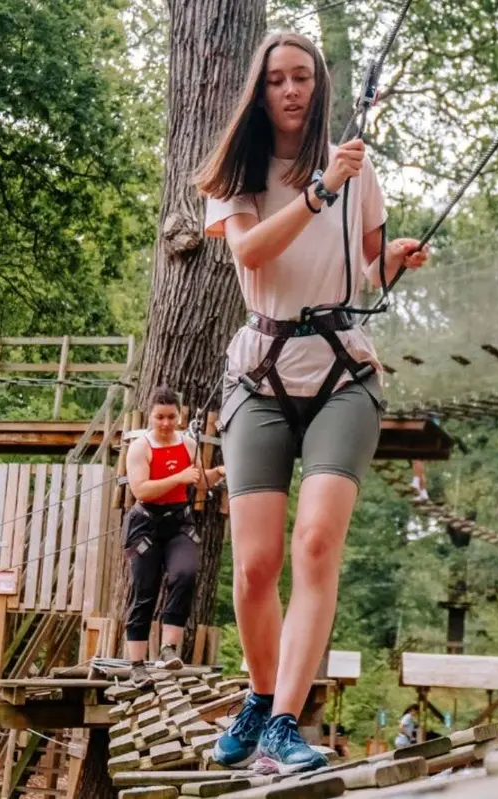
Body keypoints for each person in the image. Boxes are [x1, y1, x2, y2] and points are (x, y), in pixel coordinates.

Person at [197, 31, 430, 774]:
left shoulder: (359, 172)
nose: (292, 90)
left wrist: (391, 261)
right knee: (255, 565)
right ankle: (261, 698)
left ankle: (286, 719)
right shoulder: (239, 171)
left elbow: (362, 272)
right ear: (260, 92)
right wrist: (322, 187)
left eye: (303, 77)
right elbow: (250, 253)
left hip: (343, 375)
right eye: (277, 80)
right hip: (259, 374)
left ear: (319, 87)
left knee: (316, 544)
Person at [123, 386, 225, 684]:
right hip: (145, 523)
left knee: (185, 573)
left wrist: (219, 470)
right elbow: (140, 489)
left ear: (179, 417)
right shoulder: (140, 448)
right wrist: (178, 477)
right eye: (159, 417)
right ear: (151, 416)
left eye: (171, 417)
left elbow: (200, 480)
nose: (165, 424)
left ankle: (168, 648)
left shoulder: (189, 444)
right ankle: (137, 664)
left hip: (179, 522)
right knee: (145, 591)